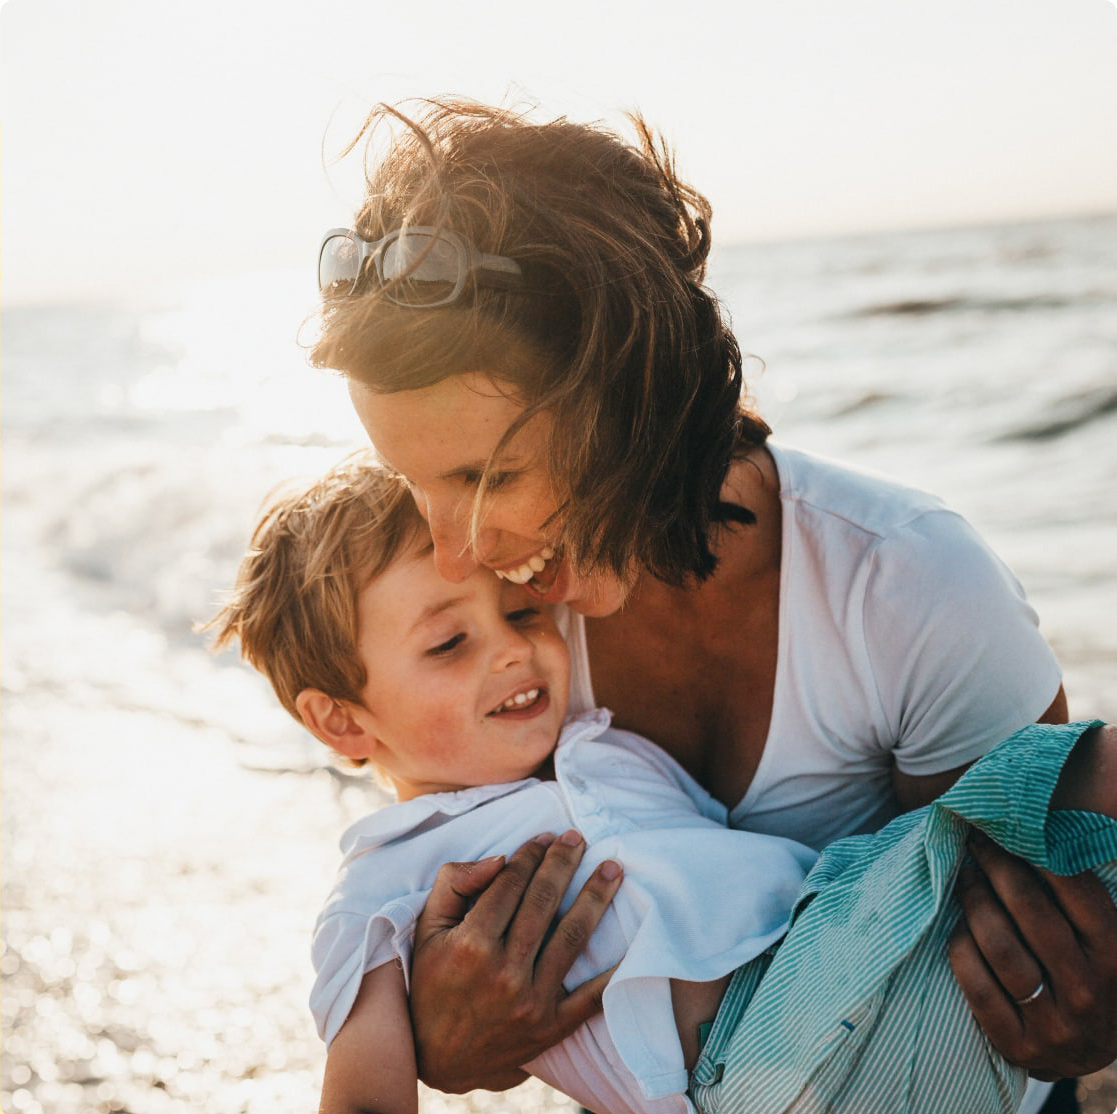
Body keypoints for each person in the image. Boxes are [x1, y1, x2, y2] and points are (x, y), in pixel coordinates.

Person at [309, 100, 1117, 1108]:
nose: (456, 548)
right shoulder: (496, 632)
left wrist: (1088, 1011)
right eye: (413, 484)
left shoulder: (902, 584)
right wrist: (455, 1041)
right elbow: (485, 931)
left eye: (491, 477)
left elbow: (1047, 943)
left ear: (632, 396)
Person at [206, 453, 1117, 1114]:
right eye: (448, 644)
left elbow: (789, 866)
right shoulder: (386, 880)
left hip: (857, 994)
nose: (515, 647)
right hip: (744, 1066)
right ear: (341, 721)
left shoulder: (606, 746)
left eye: (522, 610)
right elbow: (364, 1099)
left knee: (1055, 801)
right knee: (1092, 779)